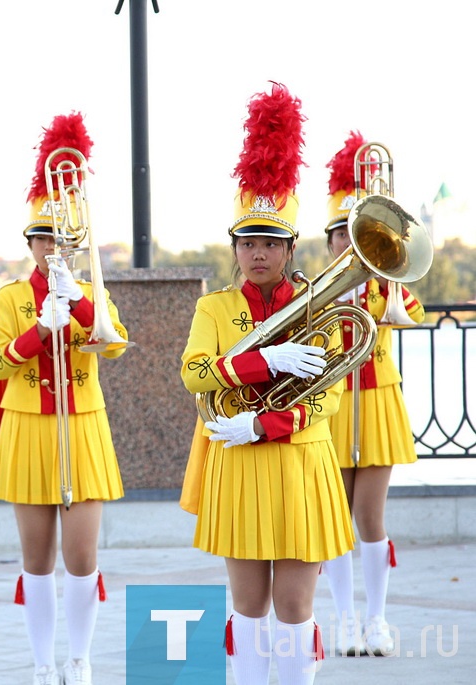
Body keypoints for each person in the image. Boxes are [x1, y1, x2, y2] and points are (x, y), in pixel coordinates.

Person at [179, 83, 354, 685]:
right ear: (235, 247)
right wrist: (262, 360)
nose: (258, 253)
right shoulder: (216, 308)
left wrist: (264, 421)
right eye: (248, 241)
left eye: (270, 243)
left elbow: (329, 391)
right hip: (239, 463)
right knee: (248, 606)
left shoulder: (314, 304)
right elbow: (194, 372)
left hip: (301, 461)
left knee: (296, 607)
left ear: (288, 247)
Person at [0, 112, 128, 685]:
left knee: (82, 557)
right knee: (36, 559)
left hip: (82, 426)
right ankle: (41, 663)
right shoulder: (10, 295)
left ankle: (80, 658)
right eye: (44, 238)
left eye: (62, 238)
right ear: (31, 243)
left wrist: (80, 306)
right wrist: (39, 328)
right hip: (28, 430)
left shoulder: (92, 290)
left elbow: (114, 345)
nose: (53, 247)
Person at [318, 132, 426, 657]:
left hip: (378, 399)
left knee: (370, 517)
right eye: (341, 233)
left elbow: (416, 314)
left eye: (355, 232)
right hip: (333, 404)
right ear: (331, 240)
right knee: (336, 516)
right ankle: (342, 620)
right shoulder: (317, 284)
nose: (348, 242)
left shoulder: (386, 281)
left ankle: (376, 620)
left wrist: (382, 282)